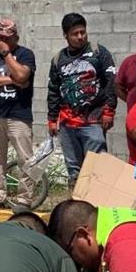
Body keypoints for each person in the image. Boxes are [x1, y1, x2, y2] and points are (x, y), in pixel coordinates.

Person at [47, 13, 117, 186]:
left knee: (97, 167)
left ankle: (97, 204)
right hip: (67, 122)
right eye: (75, 34)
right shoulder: (58, 60)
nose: (80, 37)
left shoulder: (98, 52)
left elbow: (111, 83)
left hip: (93, 120)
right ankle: (76, 204)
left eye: (82, 32)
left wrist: (109, 110)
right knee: (74, 170)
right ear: (66, 36)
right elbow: (53, 91)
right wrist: (52, 119)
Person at [0, 19, 37, 213]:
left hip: (18, 114)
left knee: (25, 158)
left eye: (4, 38)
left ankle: (24, 200)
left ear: (15, 37)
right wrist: (11, 80)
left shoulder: (25, 54)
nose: (0, 41)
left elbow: (22, 76)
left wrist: (6, 54)